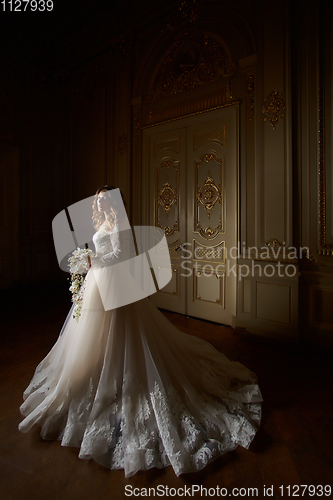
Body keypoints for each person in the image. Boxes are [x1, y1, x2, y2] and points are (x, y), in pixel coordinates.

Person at [18, 186, 262, 478]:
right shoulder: (99, 223)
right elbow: (101, 250)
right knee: (89, 341)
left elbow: (121, 254)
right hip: (98, 285)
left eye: (105, 198)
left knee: (124, 337)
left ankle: (125, 379)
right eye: (98, 199)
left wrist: (93, 261)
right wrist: (88, 260)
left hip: (116, 287)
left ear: (113, 202)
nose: (101, 202)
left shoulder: (120, 223)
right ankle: (95, 378)